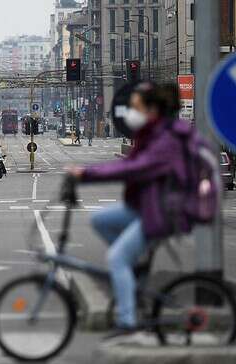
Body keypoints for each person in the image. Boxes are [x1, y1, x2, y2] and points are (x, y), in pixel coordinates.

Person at [69, 82, 189, 333]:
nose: (130, 113)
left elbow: (131, 169)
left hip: (160, 212)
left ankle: (127, 321)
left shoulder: (163, 140)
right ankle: (135, 269)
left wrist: (87, 174)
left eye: (135, 107)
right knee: (99, 220)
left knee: (117, 258)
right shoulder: (148, 135)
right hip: (144, 207)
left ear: (152, 110)